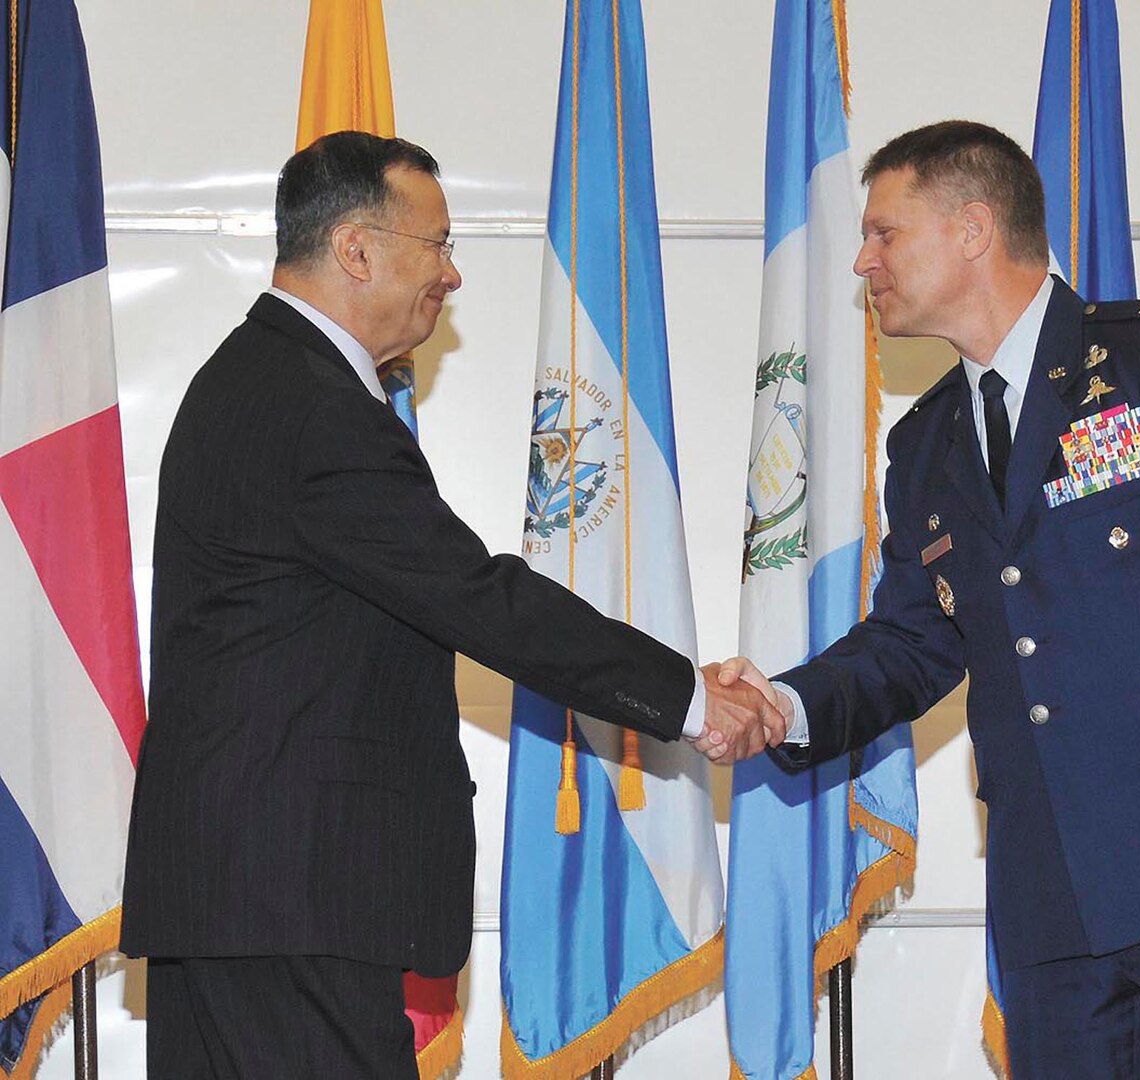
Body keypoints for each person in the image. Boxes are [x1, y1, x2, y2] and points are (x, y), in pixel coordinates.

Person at [120, 131, 782, 1079]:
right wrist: (685, 697)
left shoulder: (257, 377)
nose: (455, 275)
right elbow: (477, 598)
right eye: (437, 245)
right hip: (291, 902)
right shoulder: (309, 403)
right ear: (355, 249)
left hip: (247, 901)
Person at [722, 120, 1140, 1077]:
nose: (863, 261)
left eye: (884, 233)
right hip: (1052, 903)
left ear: (974, 229)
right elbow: (915, 640)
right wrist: (786, 703)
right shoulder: (926, 443)